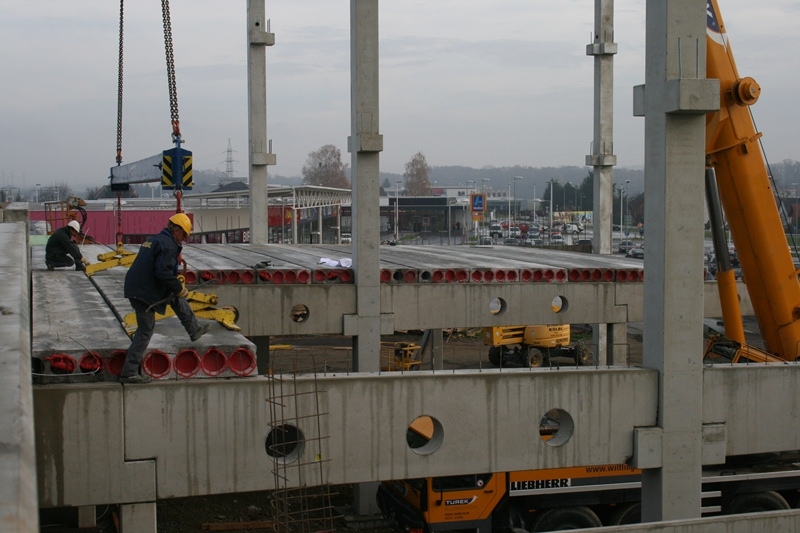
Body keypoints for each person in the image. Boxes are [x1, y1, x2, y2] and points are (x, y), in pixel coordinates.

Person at [119, 213, 211, 384]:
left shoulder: (155, 239)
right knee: (145, 331)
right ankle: (129, 372)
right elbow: (163, 273)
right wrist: (178, 288)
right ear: (176, 230)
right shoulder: (168, 245)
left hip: (137, 287)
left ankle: (193, 328)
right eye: (183, 235)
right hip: (143, 291)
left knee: (173, 298)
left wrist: (175, 290)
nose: (183, 239)